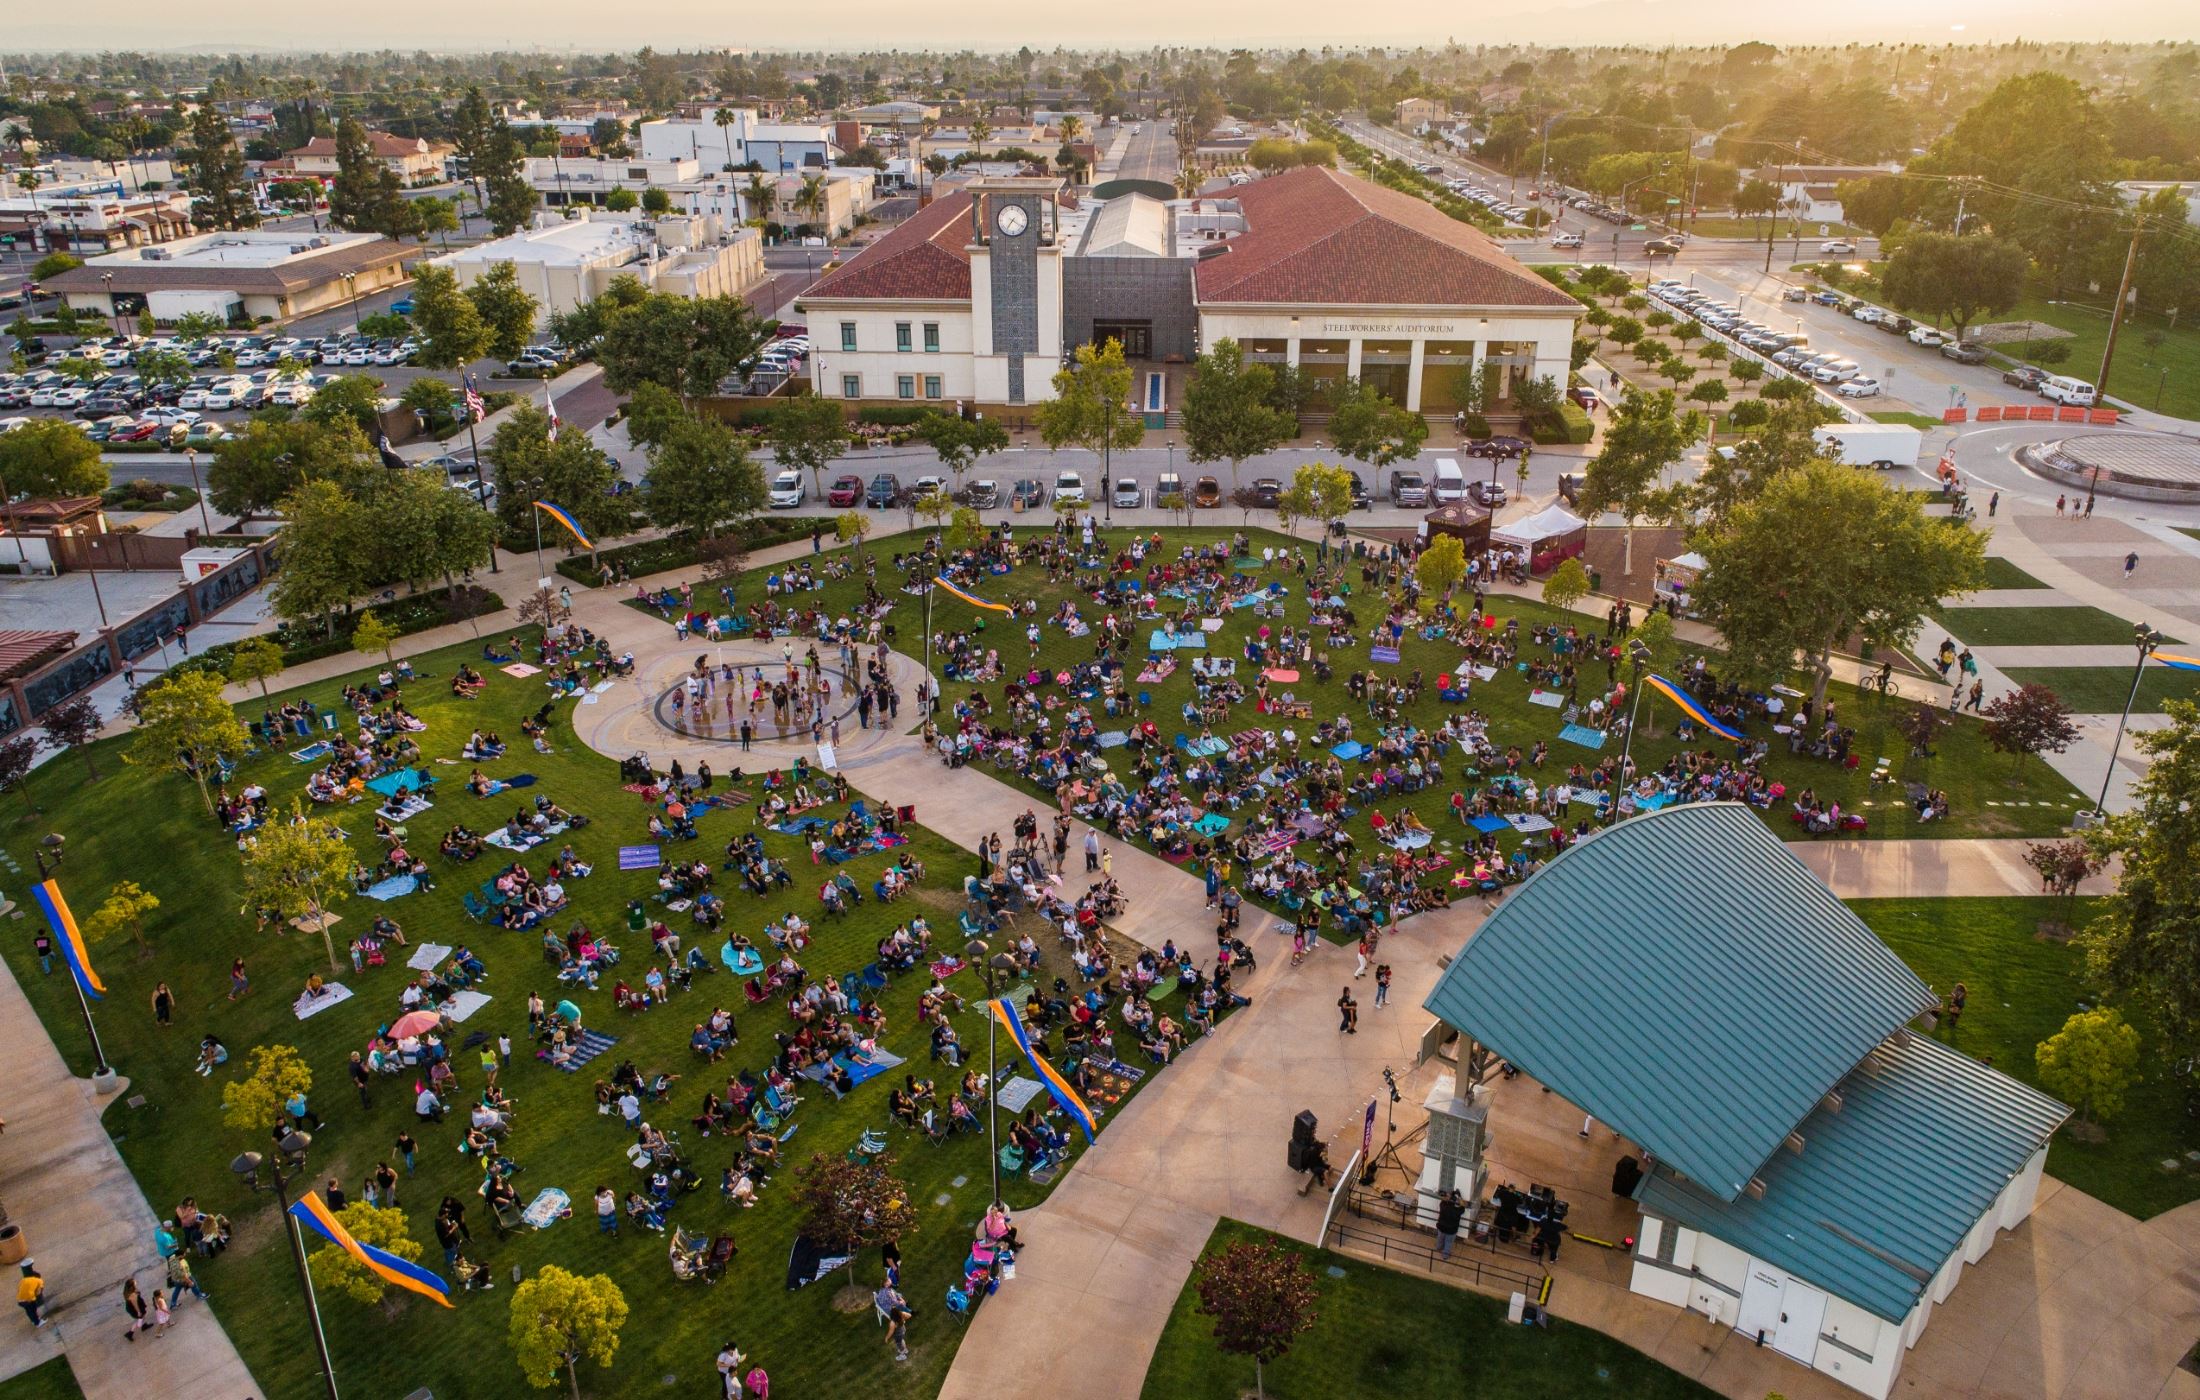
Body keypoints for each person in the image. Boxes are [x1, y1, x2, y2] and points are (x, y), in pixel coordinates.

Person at [875, 1279, 913, 1361]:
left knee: (899, 1343)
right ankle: (905, 1349)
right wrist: (903, 1318)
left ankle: (903, 1354)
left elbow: (891, 1332)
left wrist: (886, 1338)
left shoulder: (893, 1323)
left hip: (898, 1335)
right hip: (903, 1330)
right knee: (902, 1340)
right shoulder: (902, 1316)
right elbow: (909, 1315)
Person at [1435, 1188, 1466, 1259]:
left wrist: (1447, 1196)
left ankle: (1438, 1248)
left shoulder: (1443, 1205)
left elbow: (1443, 1200)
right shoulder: (1457, 1210)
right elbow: (1463, 1207)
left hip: (1441, 1226)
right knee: (1448, 1242)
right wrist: (1459, 1198)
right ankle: (1445, 1255)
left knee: (1440, 1238)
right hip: (1451, 1230)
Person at [17, 1262, 46, 1329]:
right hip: (29, 1300)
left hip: (20, 1300)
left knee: (28, 1311)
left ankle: (33, 1321)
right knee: (33, 1310)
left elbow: (20, 1288)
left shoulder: (24, 1280)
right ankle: (38, 1323)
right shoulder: (39, 1281)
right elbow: (39, 1292)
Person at [122, 1275, 149, 1341]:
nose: (136, 1282)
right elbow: (135, 1305)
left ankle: (144, 1325)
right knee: (139, 1319)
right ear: (132, 1286)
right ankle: (130, 1333)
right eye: (134, 1283)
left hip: (132, 1307)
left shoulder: (127, 1291)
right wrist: (139, 1312)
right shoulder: (132, 1295)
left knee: (142, 1317)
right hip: (135, 1308)